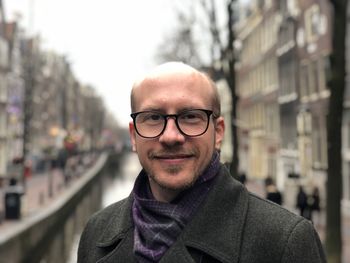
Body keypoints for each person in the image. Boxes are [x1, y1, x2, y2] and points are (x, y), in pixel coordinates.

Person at [78, 62, 326, 262]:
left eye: (190, 116)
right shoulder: (96, 232)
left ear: (218, 132)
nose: (171, 136)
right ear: (133, 136)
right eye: (153, 117)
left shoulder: (285, 242)